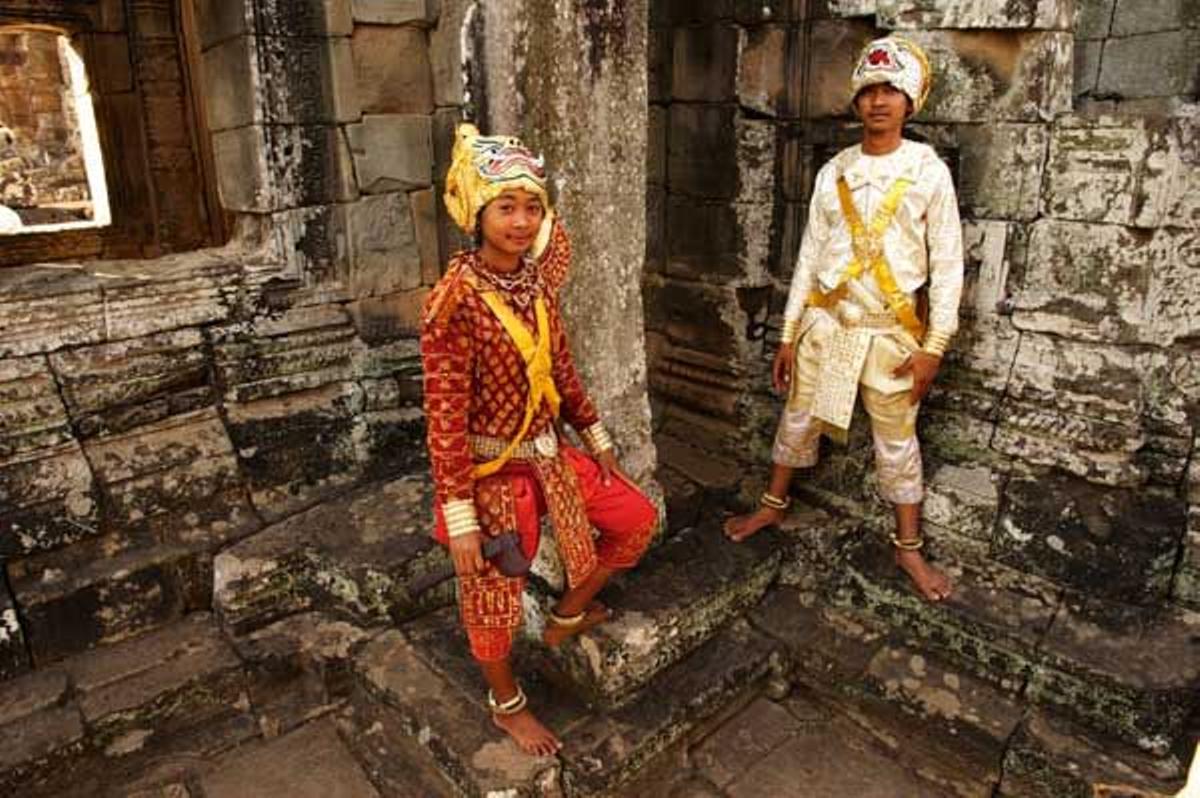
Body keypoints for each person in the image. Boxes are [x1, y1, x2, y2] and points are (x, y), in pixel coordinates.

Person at [420, 123, 658, 755]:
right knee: (492, 605)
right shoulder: (454, 302)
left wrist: (596, 432)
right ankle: (506, 704)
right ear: (477, 212)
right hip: (490, 476)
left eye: (532, 208)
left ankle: (565, 617)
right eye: (506, 207)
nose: (521, 221)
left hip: (552, 458)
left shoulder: (537, 286)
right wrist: (460, 515)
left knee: (636, 518)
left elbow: (563, 371)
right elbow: (443, 419)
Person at [724, 36, 963, 603]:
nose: (879, 101)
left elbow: (949, 265)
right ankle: (772, 506)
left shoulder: (928, 171)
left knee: (897, 441)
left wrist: (935, 346)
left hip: (890, 333)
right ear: (856, 103)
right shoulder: (834, 171)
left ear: (909, 101)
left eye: (891, 90)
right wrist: (786, 333)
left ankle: (908, 548)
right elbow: (808, 255)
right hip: (825, 326)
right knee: (798, 418)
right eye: (869, 91)